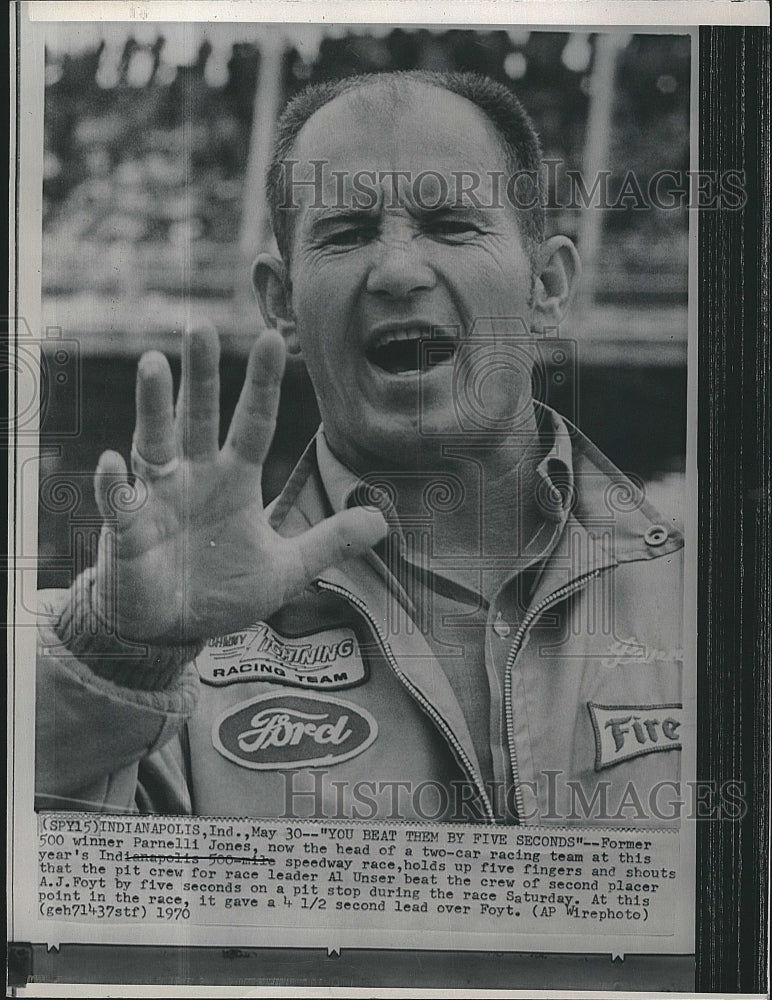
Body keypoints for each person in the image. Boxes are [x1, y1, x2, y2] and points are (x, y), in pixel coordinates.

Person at [36, 71, 684, 825]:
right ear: (282, 303)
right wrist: (116, 656)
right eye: (347, 234)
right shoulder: (179, 639)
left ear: (546, 285)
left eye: (450, 225)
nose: (399, 273)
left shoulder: (717, 594)